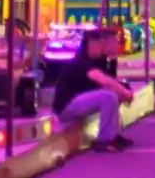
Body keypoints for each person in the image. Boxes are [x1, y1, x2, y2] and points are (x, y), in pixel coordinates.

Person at [51, 23, 136, 153]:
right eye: (99, 45)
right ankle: (104, 140)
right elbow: (102, 79)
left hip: (78, 102)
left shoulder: (98, 61)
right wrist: (124, 91)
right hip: (66, 107)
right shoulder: (82, 61)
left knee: (114, 94)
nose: (102, 48)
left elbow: (111, 79)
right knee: (108, 96)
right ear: (90, 45)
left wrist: (124, 90)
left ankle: (113, 135)